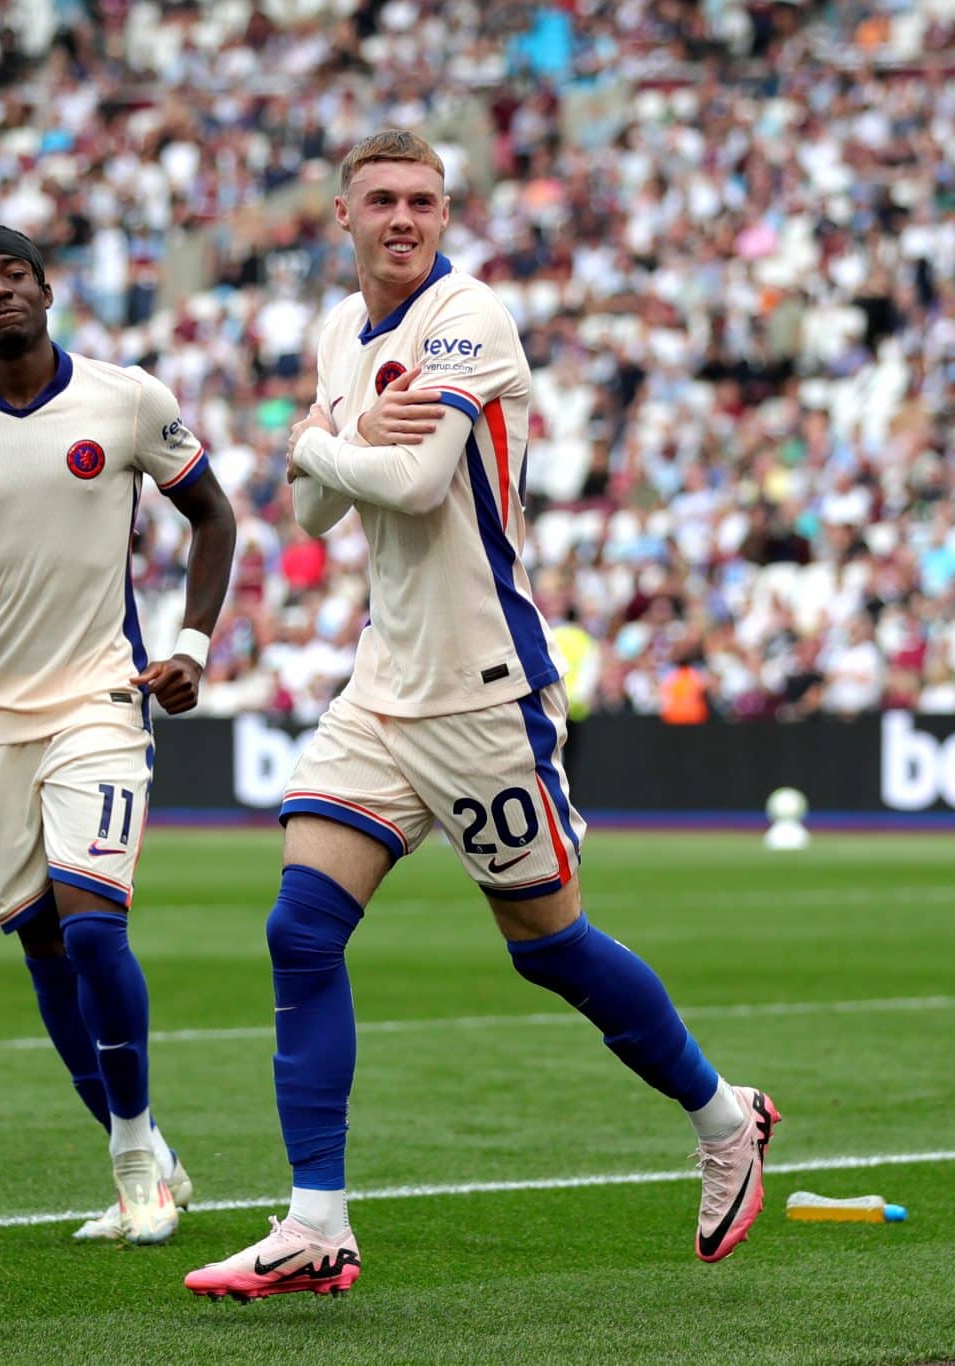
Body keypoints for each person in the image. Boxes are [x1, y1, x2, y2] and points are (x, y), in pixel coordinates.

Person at [184, 131, 777, 1302]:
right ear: (342, 214)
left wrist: (318, 444)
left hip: (483, 690)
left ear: (443, 212)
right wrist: (335, 446)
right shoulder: (331, 335)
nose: (404, 218)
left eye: (425, 200)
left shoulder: (469, 318)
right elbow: (308, 518)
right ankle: (314, 1222)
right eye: (383, 201)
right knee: (299, 932)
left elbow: (397, 484)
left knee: (548, 949)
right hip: (379, 686)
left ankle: (723, 1116)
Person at [0, 225, 237, 1244]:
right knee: (38, 941)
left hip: (99, 697)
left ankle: (132, 1163)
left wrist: (192, 646)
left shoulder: (125, 399)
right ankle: (149, 1150)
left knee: (90, 924)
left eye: (13, 275)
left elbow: (212, 518)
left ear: (46, 289)